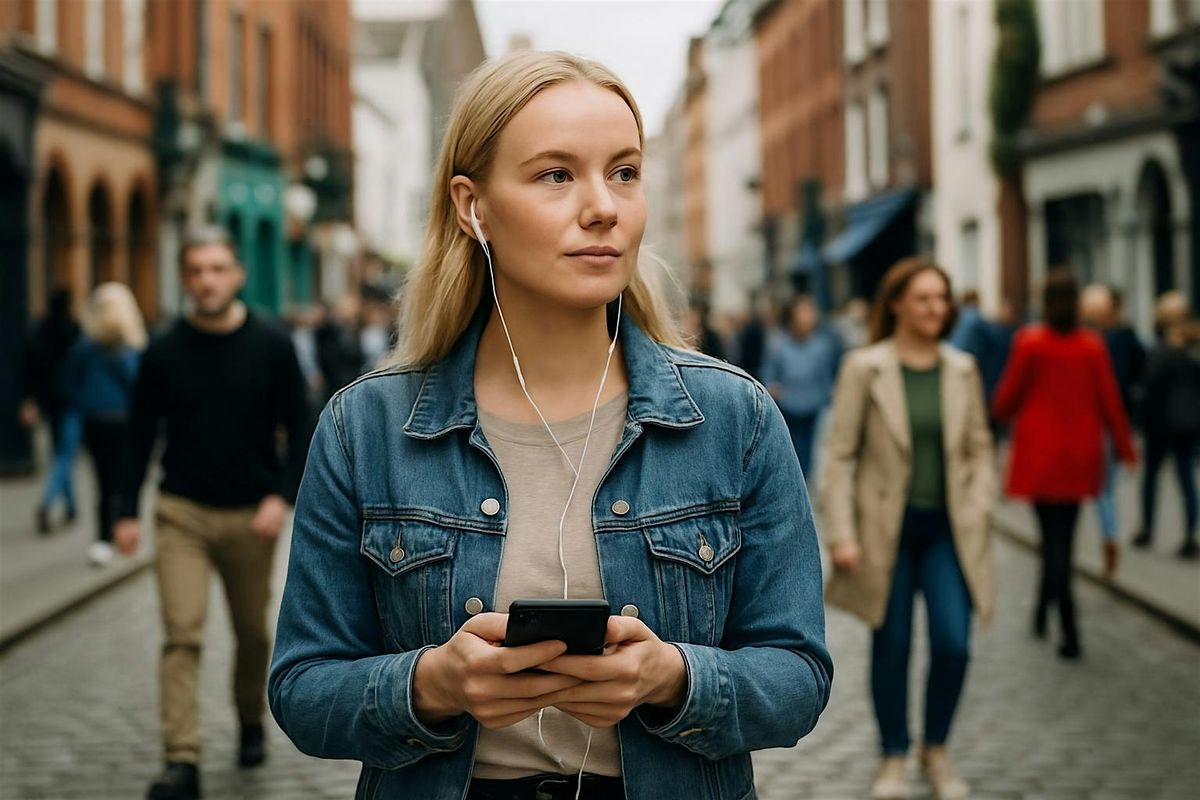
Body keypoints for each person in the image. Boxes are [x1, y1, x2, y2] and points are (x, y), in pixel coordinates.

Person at [268, 50, 832, 800]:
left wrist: (673, 677)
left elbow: (798, 675)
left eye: (624, 172)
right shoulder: (367, 427)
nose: (603, 206)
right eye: (555, 175)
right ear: (473, 207)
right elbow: (304, 689)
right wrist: (432, 683)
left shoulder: (734, 419)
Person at [114, 226, 313, 800]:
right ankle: (182, 759)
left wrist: (281, 497)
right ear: (185, 278)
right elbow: (138, 435)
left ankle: (250, 718)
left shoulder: (272, 345)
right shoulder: (163, 349)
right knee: (182, 636)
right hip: (182, 512)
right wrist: (124, 511)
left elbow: (301, 426)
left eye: (217, 269)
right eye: (196, 270)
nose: (207, 280)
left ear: (237, 274)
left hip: (253, 515)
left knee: (252, 633)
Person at [821, 258, 995, 800]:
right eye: (923, 299)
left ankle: (936, 749)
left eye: (941, 299)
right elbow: (841, 454)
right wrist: (843, 533)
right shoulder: (865, 367)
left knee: (954, 643)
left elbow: (979, 448)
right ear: (895, 303)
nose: (935, 309)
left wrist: (981, 501)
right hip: (883, 533)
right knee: (891, 644)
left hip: (949, 531)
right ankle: (894, 754)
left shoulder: (962, 368)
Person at [992, 270, 1136, 661]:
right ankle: (1051, 615)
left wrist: (1001, 414)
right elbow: (1111, 401)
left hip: (1040, 455)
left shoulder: (1030, 342)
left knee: (1051, 539)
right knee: (1063, 541)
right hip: (1078, 456)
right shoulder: (1092, 345)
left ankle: (1064, 623)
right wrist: (1126, 450)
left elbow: (1006, 399)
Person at [61, 283, 145, 566]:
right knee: (115, 480)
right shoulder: (117, 347)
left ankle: (108, 536)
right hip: (113, 420)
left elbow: (71, 382)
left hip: (104, 420)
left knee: (108, 482)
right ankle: (113, 533)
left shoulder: (92, 347)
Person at [1080, 284, 1147, 576]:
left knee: (1102, 488)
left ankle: (1110, 538)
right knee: (1103, 488)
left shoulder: (1106, 342)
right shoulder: (1097, 340)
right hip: (1100, 423)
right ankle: (1110, 538)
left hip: (1105, 423)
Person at [1133, 291, 1200, 560]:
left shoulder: (1163, 350)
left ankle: (1150, 529)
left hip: (1163, 425)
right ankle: (1187, 533)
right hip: (1187, 424)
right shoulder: (1190, 349)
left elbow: (1151, 387)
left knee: (1155, 478)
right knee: (1184, 479)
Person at [20, 288, 81, 532]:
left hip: (49, 403)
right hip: (71, 402)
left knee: (61, 453)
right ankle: (48, 501)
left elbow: (28, 369)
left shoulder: (40, 332)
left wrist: (30, 400)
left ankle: (72, 507)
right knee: (66, 455)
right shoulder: (73, 332)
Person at [762, 294, 843, 479]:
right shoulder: (779, 345)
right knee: (789, 453)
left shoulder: (822, 345)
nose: (808, 317)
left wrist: (829, 398)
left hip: (814, 408)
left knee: (811, 457)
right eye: (803, 312)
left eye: (810, 312)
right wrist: (774, 390)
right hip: (787, 408)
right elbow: (770, 374)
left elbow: (828, 376)